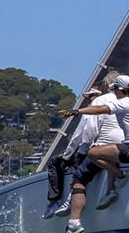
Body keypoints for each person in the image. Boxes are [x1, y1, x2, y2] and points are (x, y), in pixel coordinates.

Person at [59, 74, 129, 233]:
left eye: (114, 90)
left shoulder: (123, 101)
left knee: (93, 152)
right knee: (110, 152)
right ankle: (111, 187)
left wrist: (76, 111)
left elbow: (100, 110)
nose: (114, 93)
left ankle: (119, 176)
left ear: (118, 89)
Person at [42, 87, 102, 218]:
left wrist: (66, 157)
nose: (89, 99)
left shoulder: (90, 112)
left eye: (90, 96)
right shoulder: (115, 108)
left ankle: (56, 201)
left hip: (88, 149)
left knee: (55, 162)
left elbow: (78, 136)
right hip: (108, 148)